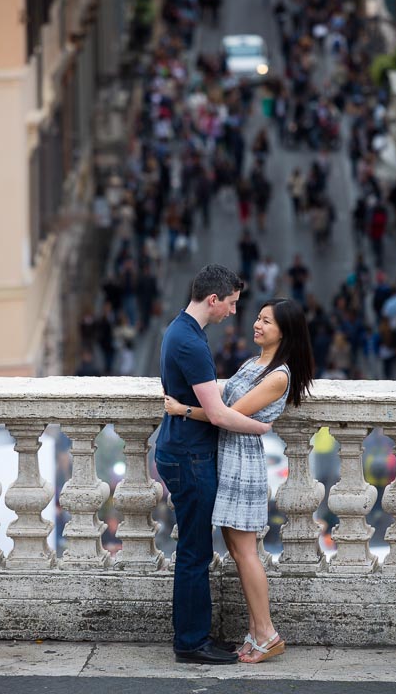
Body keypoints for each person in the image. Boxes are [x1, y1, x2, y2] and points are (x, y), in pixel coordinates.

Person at [165, 298, 314, 665]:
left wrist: (182, 409)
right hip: (229, 454)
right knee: (236, 548)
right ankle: (256, 630)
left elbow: (225, 414)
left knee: (245, 550)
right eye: (258, 318)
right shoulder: (256, 362)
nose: (256, 325)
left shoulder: (278, 375)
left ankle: (267, 633)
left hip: (243, 461)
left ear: (285, 331)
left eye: (266, 321)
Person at [156, 265, 272, 665]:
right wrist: (260, 427)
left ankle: (197, 636)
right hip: (189, 456)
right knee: (194, 552)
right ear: (213, 300)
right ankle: (190, 642)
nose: (234, 312)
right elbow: (219, 414)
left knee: (195, 549)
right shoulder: (190, 342)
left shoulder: (181, 330)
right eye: (232, 303)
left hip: (182, 451)